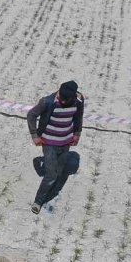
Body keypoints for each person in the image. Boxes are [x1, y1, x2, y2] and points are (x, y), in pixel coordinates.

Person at [26, 80, 84, 213]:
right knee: (51, 174)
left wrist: (77, 134)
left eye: (66, 100)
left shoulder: (79, 101)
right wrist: (35, 135)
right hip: (49, 143)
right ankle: (38, 201)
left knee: (59, 170)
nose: (63, 102)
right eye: (62, 99)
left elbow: (78, 117)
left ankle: (52, 187)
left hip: (66, 142)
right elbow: (31, 115)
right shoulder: (47, 101)